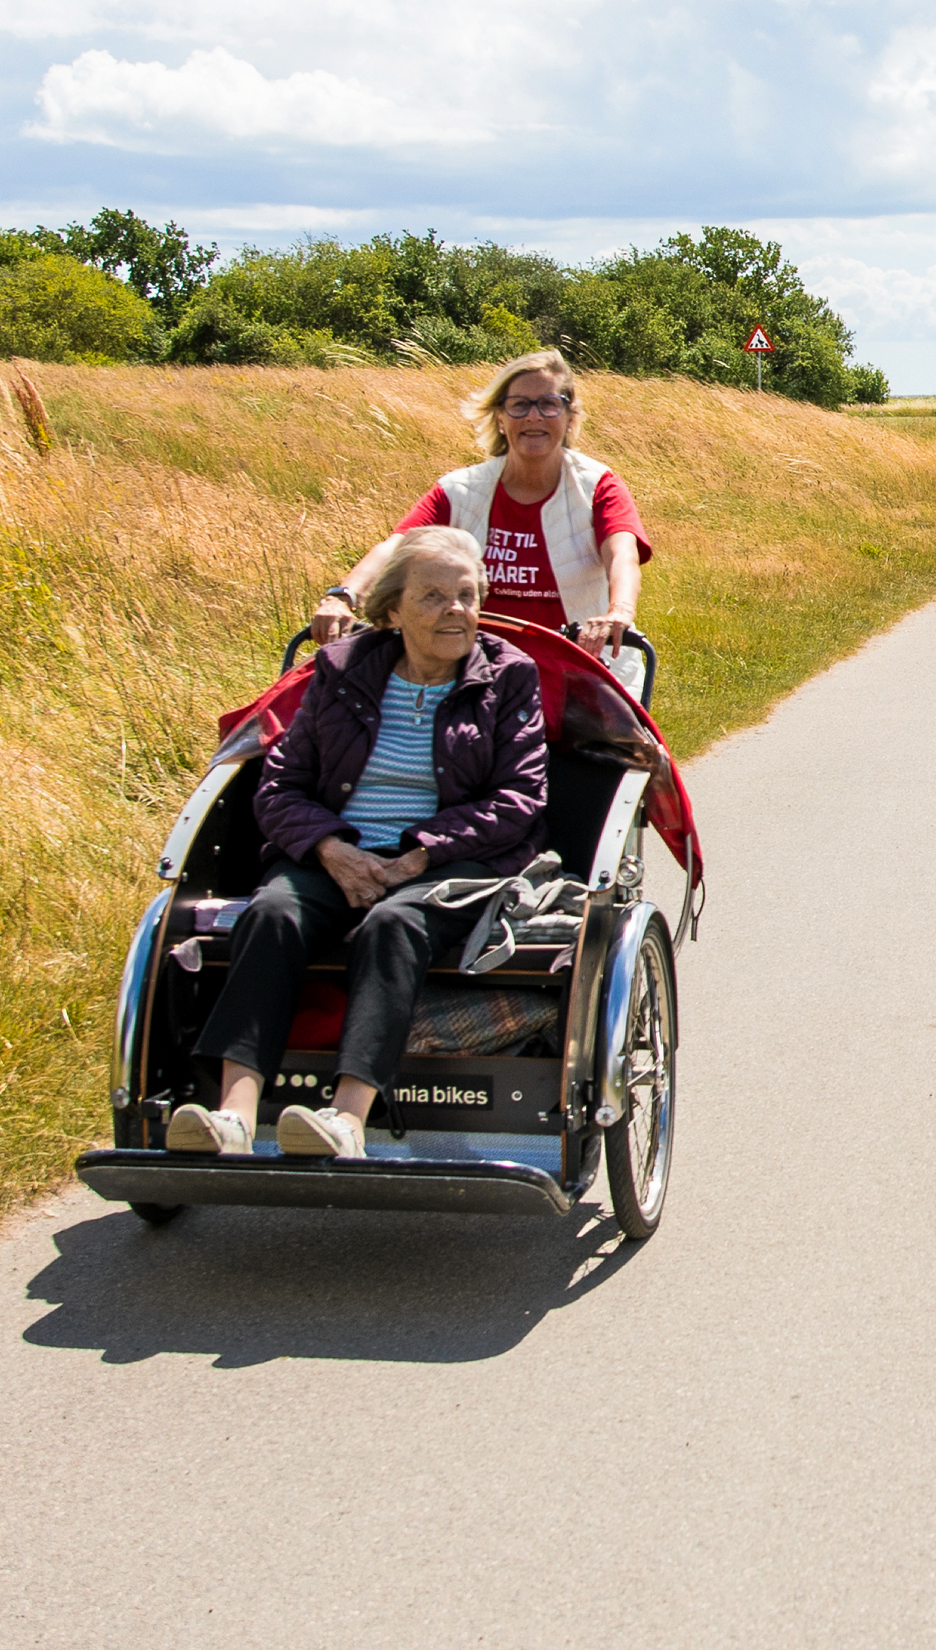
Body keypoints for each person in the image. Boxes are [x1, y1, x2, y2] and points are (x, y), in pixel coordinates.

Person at [172, 527, 550, 1161]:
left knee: (394, 925)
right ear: (392, 609)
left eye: (466, 595)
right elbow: (280, 786)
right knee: (271, 912)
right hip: (337, 853)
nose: (455, 610)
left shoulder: (510, 676)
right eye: (432, 597)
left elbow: (520, 798)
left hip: (445, 862)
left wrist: (419, 854)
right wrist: (329, 849)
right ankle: (233, 1115)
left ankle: (346, 1120)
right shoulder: (340, 670)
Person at [312, 348, 651, 678]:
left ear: (570, 417)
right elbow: (398, 546)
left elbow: (622, 554)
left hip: (581, 669)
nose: (534, 416)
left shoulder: (597, 486)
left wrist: (618, 613)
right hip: (480, 672)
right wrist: (343, 597)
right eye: (519, 405)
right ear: (500, 419)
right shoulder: (461, 490)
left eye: (549, 404)